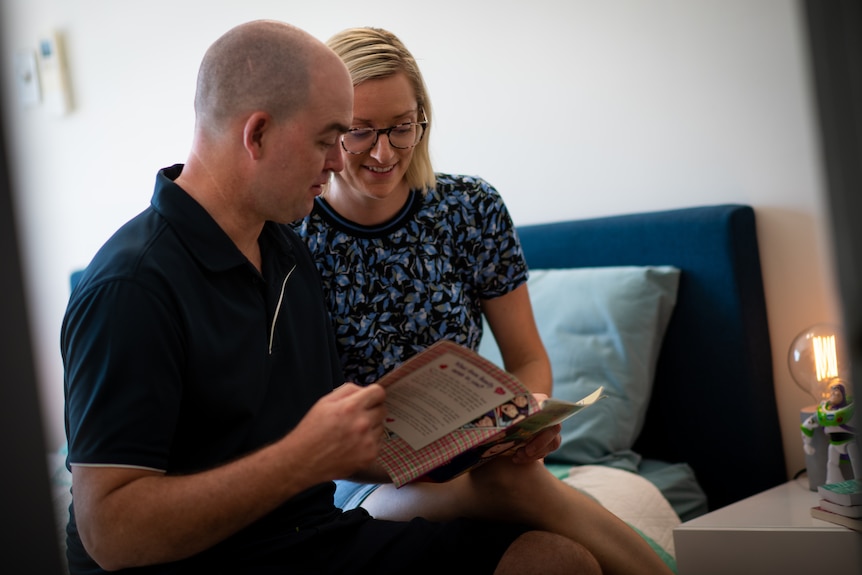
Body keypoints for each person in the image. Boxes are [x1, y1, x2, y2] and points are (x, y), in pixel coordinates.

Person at [60, 19, 601, 575]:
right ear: (258, 134)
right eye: (328, 139)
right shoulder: (132, 287)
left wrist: (474, 446)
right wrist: (299, 460)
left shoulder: (286, 255)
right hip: (203, 560)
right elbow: (111, 533)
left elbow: (339, 448)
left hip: (306, 537)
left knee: (554, 561)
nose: (341, 161)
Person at [292, 26, 675, 575]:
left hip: (473, 453)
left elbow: (525, 358)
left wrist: (527, 421)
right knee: (511, 484)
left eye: (402, 128)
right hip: (362, 479)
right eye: (360, 132)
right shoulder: (293, 238)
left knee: (554, 538)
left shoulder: (470, 208)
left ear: (422, 117)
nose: (384, 151)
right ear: (329, 131)